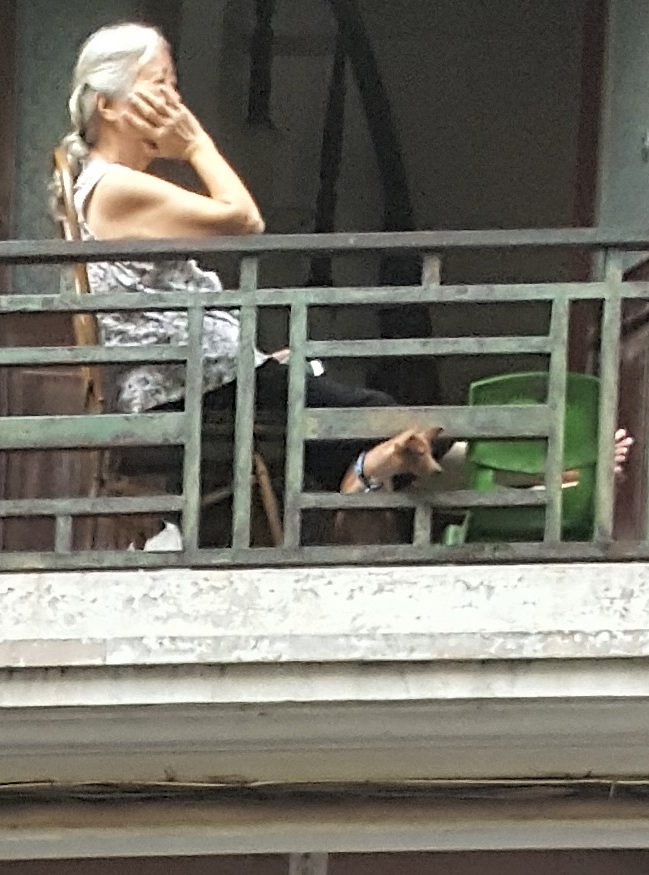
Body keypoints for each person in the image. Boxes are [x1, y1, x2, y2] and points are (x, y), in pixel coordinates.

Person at [55, 25, 453, 534]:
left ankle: (370, 473)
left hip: (207, 376)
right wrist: (197, 145)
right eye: (160, 85)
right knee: (385, 418)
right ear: (108, 106)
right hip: (195, 386)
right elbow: (244, 219)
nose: (175, 103)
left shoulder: (110, 185)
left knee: (354, 421)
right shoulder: (114, 187)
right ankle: (377, 475)